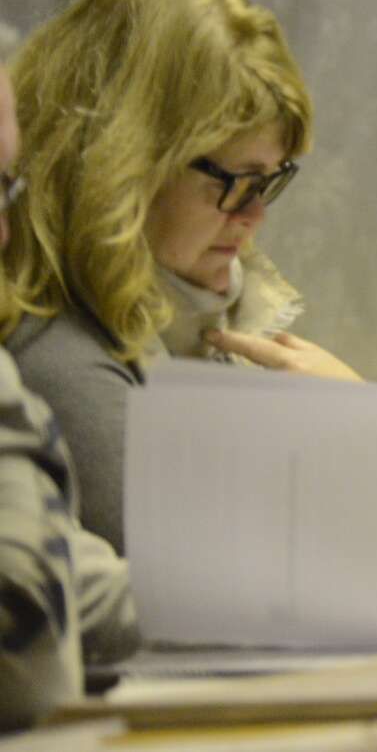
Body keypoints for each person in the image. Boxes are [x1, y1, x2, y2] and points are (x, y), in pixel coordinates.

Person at [2, 0, 358, 554]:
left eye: (269, 182)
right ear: (124, 163)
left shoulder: (190, 312)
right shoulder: (59, 359)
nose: (255, 216)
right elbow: (221, 578)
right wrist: (361, 439)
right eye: (237, 181)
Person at [0, 61, 138, 729]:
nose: (4, 231)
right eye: (232, 181)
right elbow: (24, 650)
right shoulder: (59, 362)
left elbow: (81, 587)